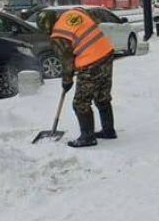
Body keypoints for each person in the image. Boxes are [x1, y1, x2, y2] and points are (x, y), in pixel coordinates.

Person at [37, 8, 116, 148]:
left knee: (80, 103)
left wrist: (67, 81)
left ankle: (87, 137)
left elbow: (67, 61)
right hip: (106, 52)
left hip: (91, 63)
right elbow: (94, 19)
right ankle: (108, 131)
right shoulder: (73, 12)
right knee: (102, 96)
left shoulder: (58, 35)